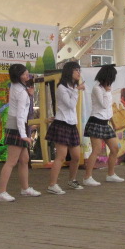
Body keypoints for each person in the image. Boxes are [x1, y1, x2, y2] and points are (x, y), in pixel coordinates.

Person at [0, 64, 41, 202]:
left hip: (19, 125)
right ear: (18, 76)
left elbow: (24, 111)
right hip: (17, 126)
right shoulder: (20, 91)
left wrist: (30, 94)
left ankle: (25, 188)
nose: (27, 74)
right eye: (23, 73)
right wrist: (23, 135)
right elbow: (21, 115)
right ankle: (1, 192)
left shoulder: (19, 87)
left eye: (26, 71)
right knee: (11, 161)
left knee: (24, 159)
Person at [46, 61, 86, 194]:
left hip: (71, 124)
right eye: (76, 70)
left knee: (76, 156)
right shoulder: (62, 88)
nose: (78, 73)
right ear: (69, 72)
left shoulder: (73, 87)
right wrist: (77, 90)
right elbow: (70, 104)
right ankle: (52, 184)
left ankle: (72, 180)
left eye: (79, 70)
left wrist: (76, 89)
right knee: (61, 156)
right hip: (62, 124)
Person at [83, 65, 124, 186]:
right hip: (96, 121)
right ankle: (87, 177)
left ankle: (110, 174)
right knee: (96, 150)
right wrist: (107, 92)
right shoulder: (97, 88)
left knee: (115, 148)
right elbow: (104, 105)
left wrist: (113, 122)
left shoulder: (106, 89)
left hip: (105, 123)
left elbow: (109, 109)